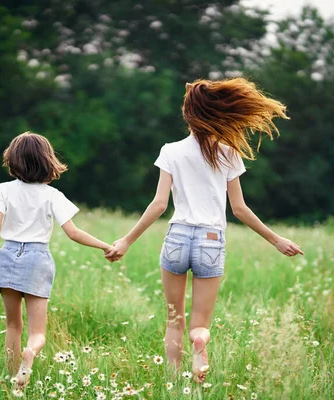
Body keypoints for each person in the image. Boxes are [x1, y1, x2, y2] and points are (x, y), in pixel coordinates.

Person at [106, 78, 304, 384]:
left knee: (174, 321)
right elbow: (239, 209)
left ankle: (173, 384)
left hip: (177, 237)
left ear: (188, 115)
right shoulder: (228, 152)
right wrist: (276, 240)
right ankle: (200, 343)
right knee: (200, 324)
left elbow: (159, 204)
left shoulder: (171, 150)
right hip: (211, 241)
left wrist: (127, 240)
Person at [0, 132, 116, 389]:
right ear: (47, 161)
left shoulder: (4, 190)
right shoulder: (52, 195)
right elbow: (73, 232)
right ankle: (29, 354)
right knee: (37, 333)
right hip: (36, 260)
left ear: (13, 160)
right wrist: (105, 245)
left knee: (12, 325)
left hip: (6, 256)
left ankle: (13, 377)